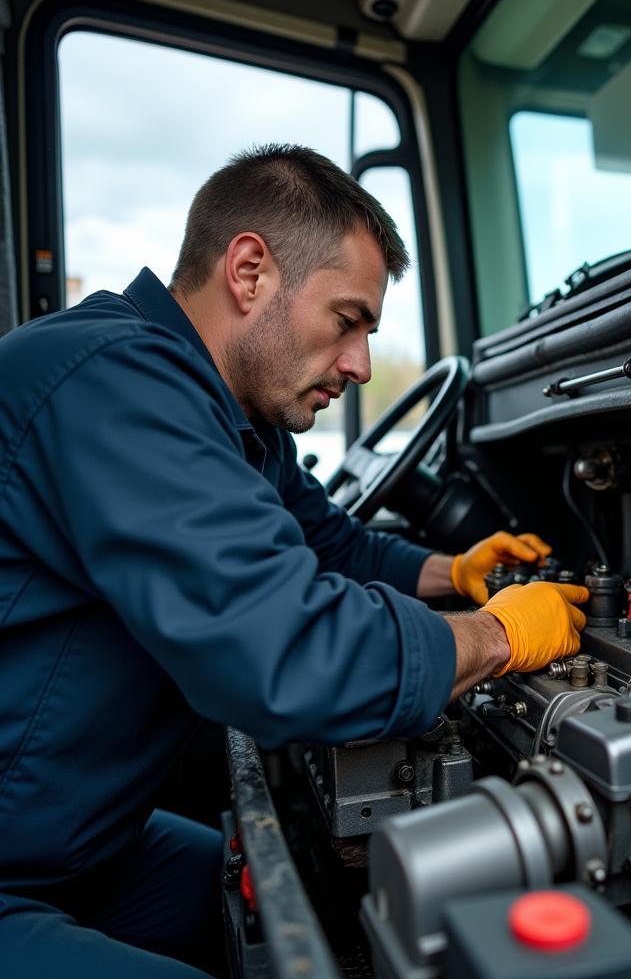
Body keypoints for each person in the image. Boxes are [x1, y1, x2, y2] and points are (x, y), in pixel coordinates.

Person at [0, 144, 589, 978]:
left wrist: (454, 571)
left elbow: (336, 545)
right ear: (249, 272)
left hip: (76, 836)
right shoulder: (114, 382)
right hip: (17, 857)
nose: (356, 364)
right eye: (347, 321)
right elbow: (286, 649)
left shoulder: (240, 420)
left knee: (291, 905)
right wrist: (495, 638)